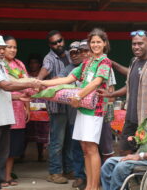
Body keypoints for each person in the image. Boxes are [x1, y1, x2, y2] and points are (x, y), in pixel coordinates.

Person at [40, 28, 112, 190]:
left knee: (92, 149)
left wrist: (78, 96)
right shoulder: (87, 63)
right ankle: (89, 186)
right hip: (82, 109)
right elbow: (67, 78)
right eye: (92, 42)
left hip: (94, 110)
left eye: (98, 42)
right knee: (85, 149)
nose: (95, 45)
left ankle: (94, 187)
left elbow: (96, 82)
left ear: (104, 43)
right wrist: (42, 83)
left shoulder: (104, 62)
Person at [0, 34, 40, 190]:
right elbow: (6, 86)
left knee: (1, 156)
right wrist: (31, 82)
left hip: (4, 117)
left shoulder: (0, 65)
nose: (3, 52)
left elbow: (6, 89)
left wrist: (19, 97)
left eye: (4, 48)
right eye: (0, 49)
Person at [98, 30, 147, 155]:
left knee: (143, 156)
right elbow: (129, 87)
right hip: (130, 119)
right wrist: (111, 94)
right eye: (134, 44)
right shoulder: (134, 62)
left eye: (140, 44)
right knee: (124, 153)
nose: (136, 47)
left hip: (146, 121)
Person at [37, 30, 73, 184]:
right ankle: (55, 172)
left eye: (60, 41)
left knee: (70, 140)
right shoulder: (49, 58)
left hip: (71, 105)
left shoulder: (72, 55)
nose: (58, 44)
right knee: (57, 141)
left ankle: (68, 169)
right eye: (54, 42)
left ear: (63, 40)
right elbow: (45, 69)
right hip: (57, 106)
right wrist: (38, 79)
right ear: (50, 45)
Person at [1, 35, 30, 187]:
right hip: (3, 112)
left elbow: (27, 86)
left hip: (18, 114)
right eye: (9, 47)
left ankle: (7, 177)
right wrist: (20, 98)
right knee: (2, 147)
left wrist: (27, 108)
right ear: (2, 48)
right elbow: (1, 90)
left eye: (14, 47)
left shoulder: (19, 64)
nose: (12, 50)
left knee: (12, 148)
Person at [58, 41, 86, 189]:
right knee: (76, 148)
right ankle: (80, 176)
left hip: (91, 115)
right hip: (74, 116)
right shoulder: (69, 69)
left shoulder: (96, 67)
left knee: (91, 149)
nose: (76, 55)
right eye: (73, 53)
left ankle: (96, 177)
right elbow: (60, 80)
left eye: (79, 52)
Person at [25, 53, 49, 162]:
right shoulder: (26, 77)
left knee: (41, 134)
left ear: (40, 64)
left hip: (42, 111)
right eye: (31, 63)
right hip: (29, 109)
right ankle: (21, 155)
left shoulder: (44, 78)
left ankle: (40, 156)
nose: (33, 65)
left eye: (35, 62)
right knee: (26, 134)